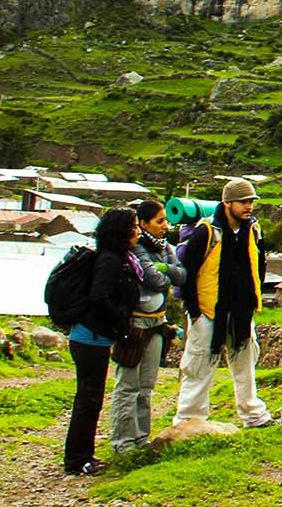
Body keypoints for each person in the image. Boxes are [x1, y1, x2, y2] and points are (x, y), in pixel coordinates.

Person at [173, 179, 275, 428]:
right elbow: (187, 274)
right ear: (227, 203)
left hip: (241, 310)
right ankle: (189, 419)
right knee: (199, 364)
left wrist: (253, 299)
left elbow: (258, 265)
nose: (248, 207)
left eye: (251, 202)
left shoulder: (252, 229)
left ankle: (253, 414)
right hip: (208, 310)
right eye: (243, 202)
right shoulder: (206, 232)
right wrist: (194, 312)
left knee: (245, 362)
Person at [64, 207, 141, 476]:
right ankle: (77, 460)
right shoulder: (109, 261)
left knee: (90, 398)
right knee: (88, 399)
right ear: (121, 231)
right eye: (133, 226)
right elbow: (99, 297)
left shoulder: (118, 257)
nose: (138, 230)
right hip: (90, 339)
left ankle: (82, 456)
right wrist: (122, 323)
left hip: (93, 338)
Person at [109, 200, 186, 454]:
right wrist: (168, 273)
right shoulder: (138, 248)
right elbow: (154, 279)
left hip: (158, 323)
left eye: (166, 220)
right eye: (159, 221)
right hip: (136, 323)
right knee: (128, 384)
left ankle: (141, 439)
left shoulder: (164, 248)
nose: (166, 225)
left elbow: (182, 274)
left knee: (146, 385)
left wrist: (164, 271)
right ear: (143, 224)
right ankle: (123, 442)